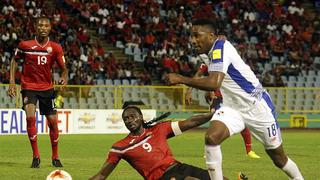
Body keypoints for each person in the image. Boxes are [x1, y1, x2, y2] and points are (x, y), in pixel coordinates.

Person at [166, 19, 303, 180]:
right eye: (191, 36)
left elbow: (214, 82)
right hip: (231, 107)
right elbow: (209, 75)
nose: (193, 40)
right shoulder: (205, 50)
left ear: (211, 35)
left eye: (197, 36)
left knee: (279, 158)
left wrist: (181, 78)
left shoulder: (221, 47)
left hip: (256, 106)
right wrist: (194, 88)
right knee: (212, 137)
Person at [89, 106, 234, 180]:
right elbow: (101, 175)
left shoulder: (159, 129)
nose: (129, 120)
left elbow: (190, 122)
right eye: (126, 119)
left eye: (132, 116)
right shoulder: (120, 147)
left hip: (180, 167)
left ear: (140, 117)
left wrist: (212, 114)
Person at [7, 16, 68, 168]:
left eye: (46, 26)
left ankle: (55, 156)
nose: (43, 28)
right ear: (35, 27)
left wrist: (63, 77)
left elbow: (64, 68)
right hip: (29, 87)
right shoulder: (25, 45)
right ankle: (36, 156)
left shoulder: (55, 47)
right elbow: (14, 61)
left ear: (50, 28)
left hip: (47, 88)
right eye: (40, 25)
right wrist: (12, 82)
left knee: (53, 122)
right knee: (30, 117)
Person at [185, 58, 260, 159]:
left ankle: (249, 151)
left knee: (243, 122)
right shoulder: (207, 62)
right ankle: (208, 151)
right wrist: (189, 91)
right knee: (215, 122)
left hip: (231, 97)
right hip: (218, 98)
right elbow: (198, 75)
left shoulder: (227, 60)